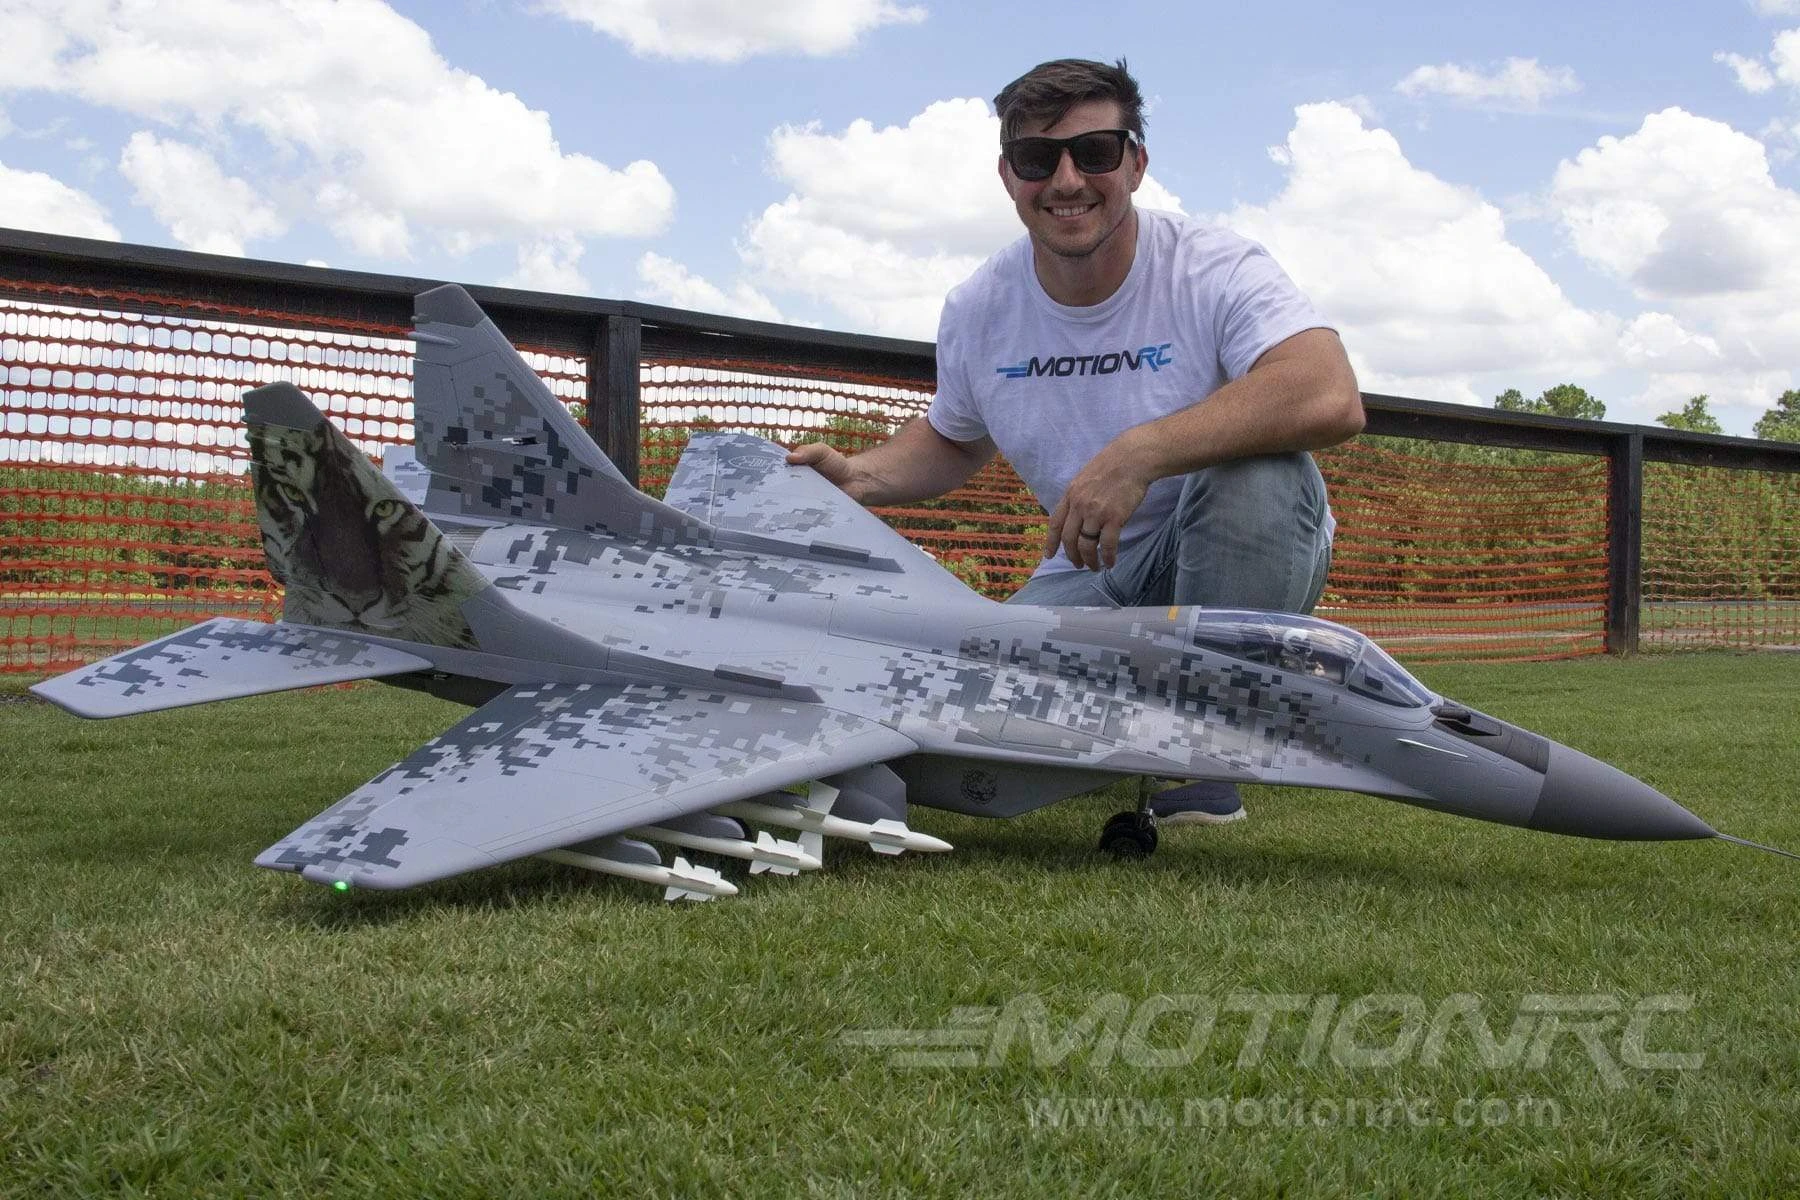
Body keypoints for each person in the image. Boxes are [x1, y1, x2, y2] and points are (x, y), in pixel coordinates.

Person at [788, 57, 1364, 826]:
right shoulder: (979, 305)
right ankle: (1138, 716)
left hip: (1234, 555)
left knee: (1259, 474)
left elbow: (1328, 392)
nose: (1067, 181)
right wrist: (857, 478)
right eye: (1037, 158)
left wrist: (1139, 454)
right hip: (1090, 572)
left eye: (1094, 152)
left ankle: (1210, 746)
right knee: (955, 732)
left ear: (1136, 164)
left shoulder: (1215, 266)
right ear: (1008, 175)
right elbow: (954, 438)